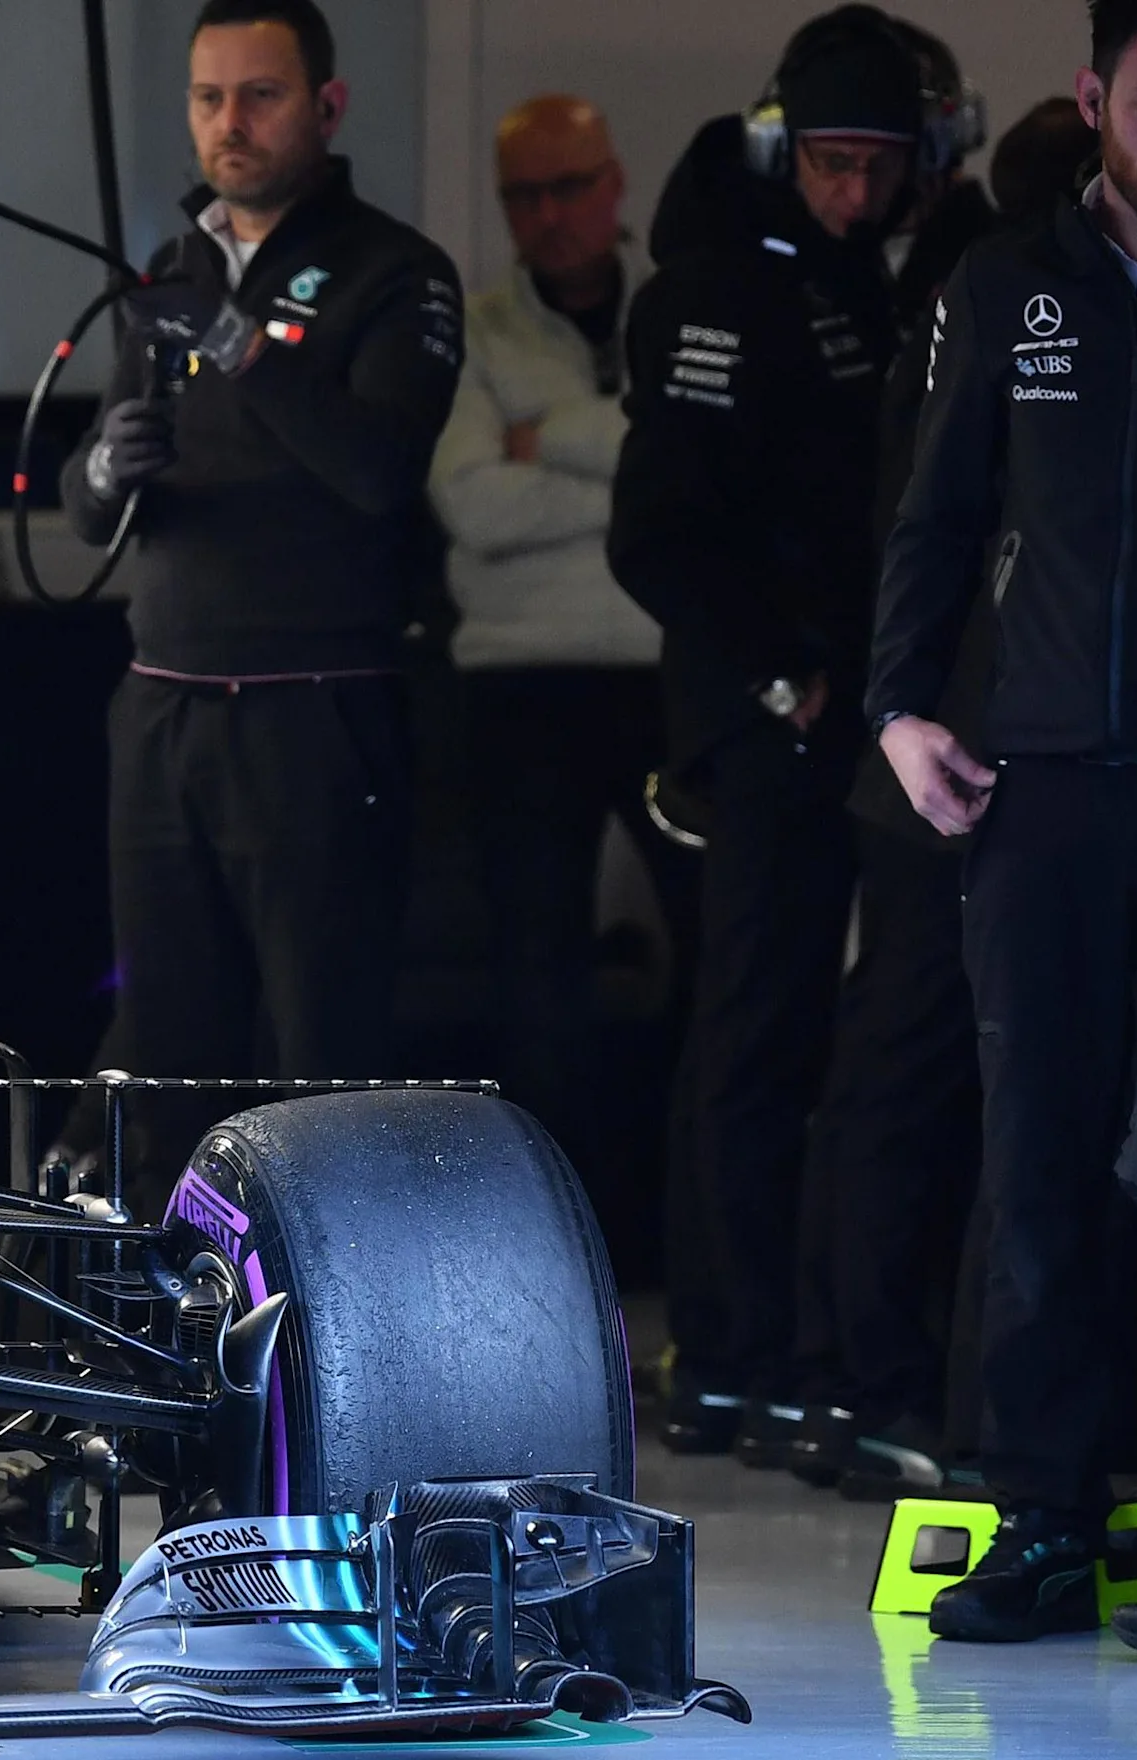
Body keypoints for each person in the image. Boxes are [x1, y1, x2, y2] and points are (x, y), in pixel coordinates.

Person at [875, 0, 1137, 1645]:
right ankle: (1044, 1516)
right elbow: (932, 514)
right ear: (1092, 101)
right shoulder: (1002, 283)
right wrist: (896, 709)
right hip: (1045, 795)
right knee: (1043, 1161)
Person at [62, 0, 464, 1211]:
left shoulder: (396, 272)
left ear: (326, 107)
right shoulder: (168, 276)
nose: (226, 125)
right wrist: (102, 465)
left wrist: (239, 343)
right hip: (163, 703)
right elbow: (87, 517)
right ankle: (141, 1325)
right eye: (205, 98)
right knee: (158, 1029)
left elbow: (375, 471)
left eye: (258, 95)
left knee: (318, 1044)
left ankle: (335, 1332)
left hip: (313, 708)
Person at [608, 8, 927, 1460]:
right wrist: (774, 685)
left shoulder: (865, 275)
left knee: (819, 1033)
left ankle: (789, 1343)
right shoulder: (718, 290)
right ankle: (723, 1350)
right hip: (770, 725)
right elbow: (656, 537)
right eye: (830, 162)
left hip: (854, 713)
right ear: (780, 147)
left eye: (877, 164)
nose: (852, 189)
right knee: (753, 1028)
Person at [791, 93, 1096, 1498]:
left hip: (963, 748)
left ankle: (880, 1386)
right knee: (943, 1081)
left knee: (922, 1078)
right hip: (963, 757)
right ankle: (890, 1389)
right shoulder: (1007, 308)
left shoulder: (969, 299)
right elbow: (926, 530)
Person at [429, 94, 687, 1242]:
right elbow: (473, 505)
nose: (548, 214)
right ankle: (553, 1247)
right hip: (515, 684)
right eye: (522, 195)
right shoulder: (473, 329)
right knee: (535, 980)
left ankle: (681, 1243)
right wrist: (632, 457)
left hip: (668, 675)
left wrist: (555, 436)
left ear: (613, 181)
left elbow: (698, 488)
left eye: (567, 185)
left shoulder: (682, 316)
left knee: (717, 960)